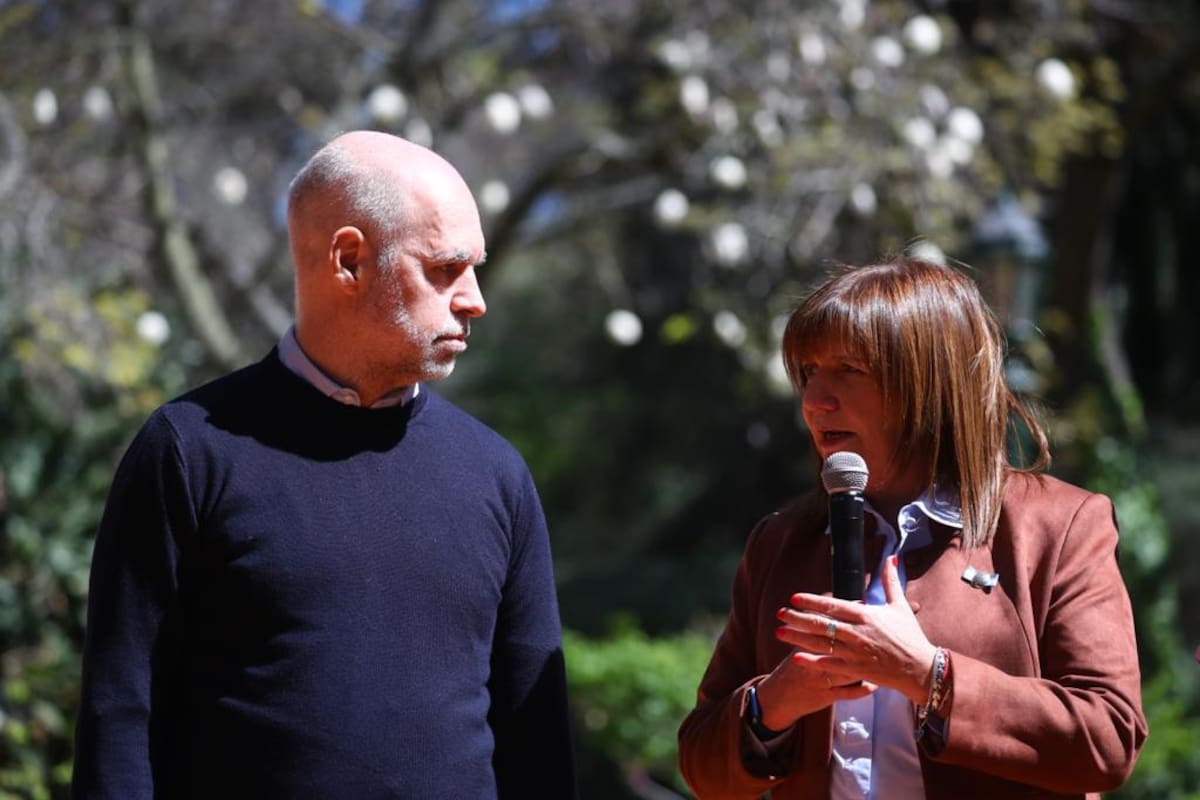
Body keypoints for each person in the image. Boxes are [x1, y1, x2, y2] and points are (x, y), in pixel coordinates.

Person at [73, 131, 576, 798]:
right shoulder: (188, 452)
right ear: (348, 259)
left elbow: (535, 747)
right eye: (445, 268)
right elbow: (119, 716)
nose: (474, 298)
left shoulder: (496, 474)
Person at [678, 257, 1147, 799]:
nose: (814, 400)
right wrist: (773, 703)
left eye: (848, 370)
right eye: (808, 372)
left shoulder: (1059, 526)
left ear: (932, 385)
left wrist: (930, 676)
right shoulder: (780, 541)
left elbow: (1108, 739)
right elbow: (701, 765)